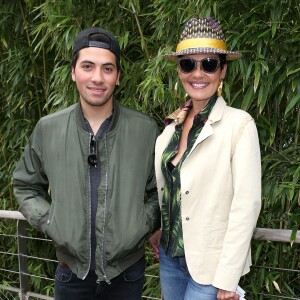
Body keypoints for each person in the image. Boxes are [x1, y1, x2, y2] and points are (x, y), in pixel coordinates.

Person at [13, 27, 160, 300]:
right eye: (88, 66)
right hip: (71, 273)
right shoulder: (49, 128)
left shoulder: (145, 130)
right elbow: (25, 184)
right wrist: (50, 220)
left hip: (127, 273)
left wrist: (145, 221)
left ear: (118, 77)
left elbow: (160, 191)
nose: (97, 78)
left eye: (107, 69)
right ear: (73, 73)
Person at [149, 17, 261, 300]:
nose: (198, 73)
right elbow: (172, 190)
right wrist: (161, 228)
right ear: (179, 70)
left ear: (222, 70)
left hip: (212, 268)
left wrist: (228, 277)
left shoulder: (240, 125)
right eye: (188, 64)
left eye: (209, 63)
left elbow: (246, 206)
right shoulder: (169, 130)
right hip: (170, 258)